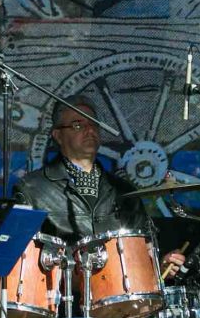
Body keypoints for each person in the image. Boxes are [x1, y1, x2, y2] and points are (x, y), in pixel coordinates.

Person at [13, 99, 186, 275]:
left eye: (93, 124)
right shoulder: (31, 188)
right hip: (62, 290)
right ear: (58, 135)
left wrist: (160, 266)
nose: (89, 130)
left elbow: (144, 251)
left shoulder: (124, 190)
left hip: (118, 288)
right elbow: (21, 262)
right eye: (78, 125)